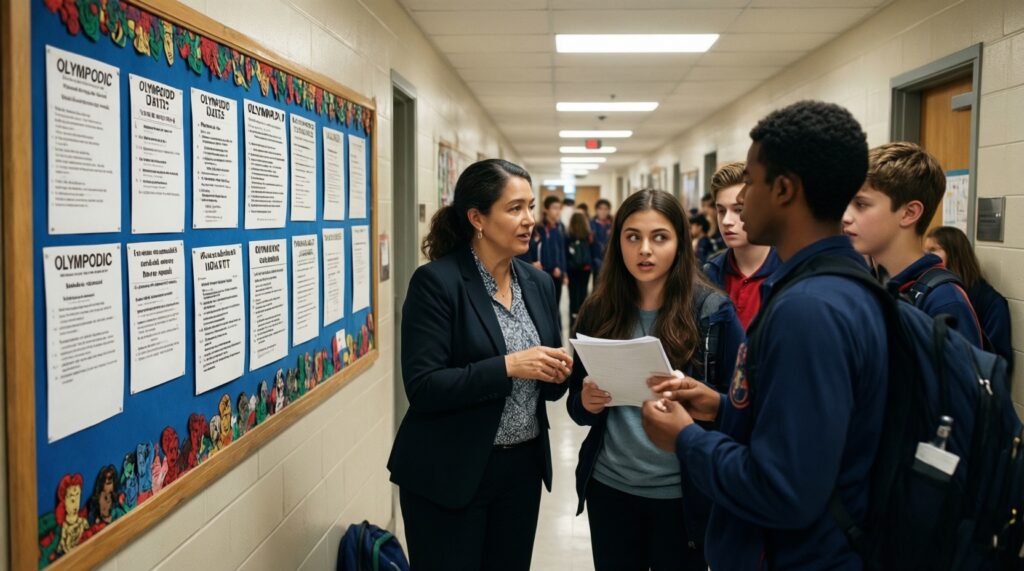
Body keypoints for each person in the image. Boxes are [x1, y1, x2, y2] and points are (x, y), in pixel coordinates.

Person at [641, 101, 888, 569]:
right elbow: (805, 431)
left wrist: (686, 439)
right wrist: (721, 408)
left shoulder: (808, 310)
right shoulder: (843, 283)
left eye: (751, 183)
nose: (733, 210)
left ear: (783, 190)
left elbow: (784, 488)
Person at [388, 159, 573, 570]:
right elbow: (424, 386)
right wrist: (507, 365)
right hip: (450, 471)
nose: (529, 220)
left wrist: (558, 372)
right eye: (515, 208)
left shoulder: (538, 283)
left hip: (521, 471)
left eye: (531, 207)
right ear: (477, 218)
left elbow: (548, 386)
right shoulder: (437, 283)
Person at [568, 189, 744, 570]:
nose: (644, 250)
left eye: (659, 237)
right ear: (617, 242)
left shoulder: (713, 312)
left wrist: (705, 402)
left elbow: (742, 409)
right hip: (611, 487)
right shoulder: (598, 309)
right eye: (632, 237)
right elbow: (576, 406)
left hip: (682, 496)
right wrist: (585, 401)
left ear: (680, 242)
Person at [842, 142, 984, 347]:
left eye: (861, 204)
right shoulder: (864, 285)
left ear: (909, 213)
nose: (845, 217)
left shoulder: (944, 301)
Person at [702, 161, 781, 329]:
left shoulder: (788, 271)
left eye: (738, 210)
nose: (726, 221)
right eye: (721, 211)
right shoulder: (710, 274)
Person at [926, 225, 1013, 371]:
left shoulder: (990, 301)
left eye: (933, 250)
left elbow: (998, 361)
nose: (926, 256)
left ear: (955, 254)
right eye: (925, 250)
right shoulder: (932, 291)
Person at [525, 195, 568, 307]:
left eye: (559, 208)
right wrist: (531, 264)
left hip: (557, 273)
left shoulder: (560, 227)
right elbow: (529, 249)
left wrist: (563, 272)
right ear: (546, 209)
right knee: (543, 305)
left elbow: (561, 250)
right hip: (542, 272)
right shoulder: (538, 228)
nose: (557, 211)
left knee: (555, 306)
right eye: (554, 208)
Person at [566, 211, 593, 329]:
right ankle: (582, 318)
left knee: (573, 293)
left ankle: (573, 317)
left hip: (572, 269)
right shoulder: (588, 235)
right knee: (583, 292)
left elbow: (565, 253)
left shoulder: (569, 236)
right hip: (585, 269)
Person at [590, 199, 613, 279]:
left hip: (610, 261)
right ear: (596, 210)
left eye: (606, 209)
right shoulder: (591, 224)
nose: (603, 211)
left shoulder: (612, 224)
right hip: (595, 260)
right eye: (600, 209)